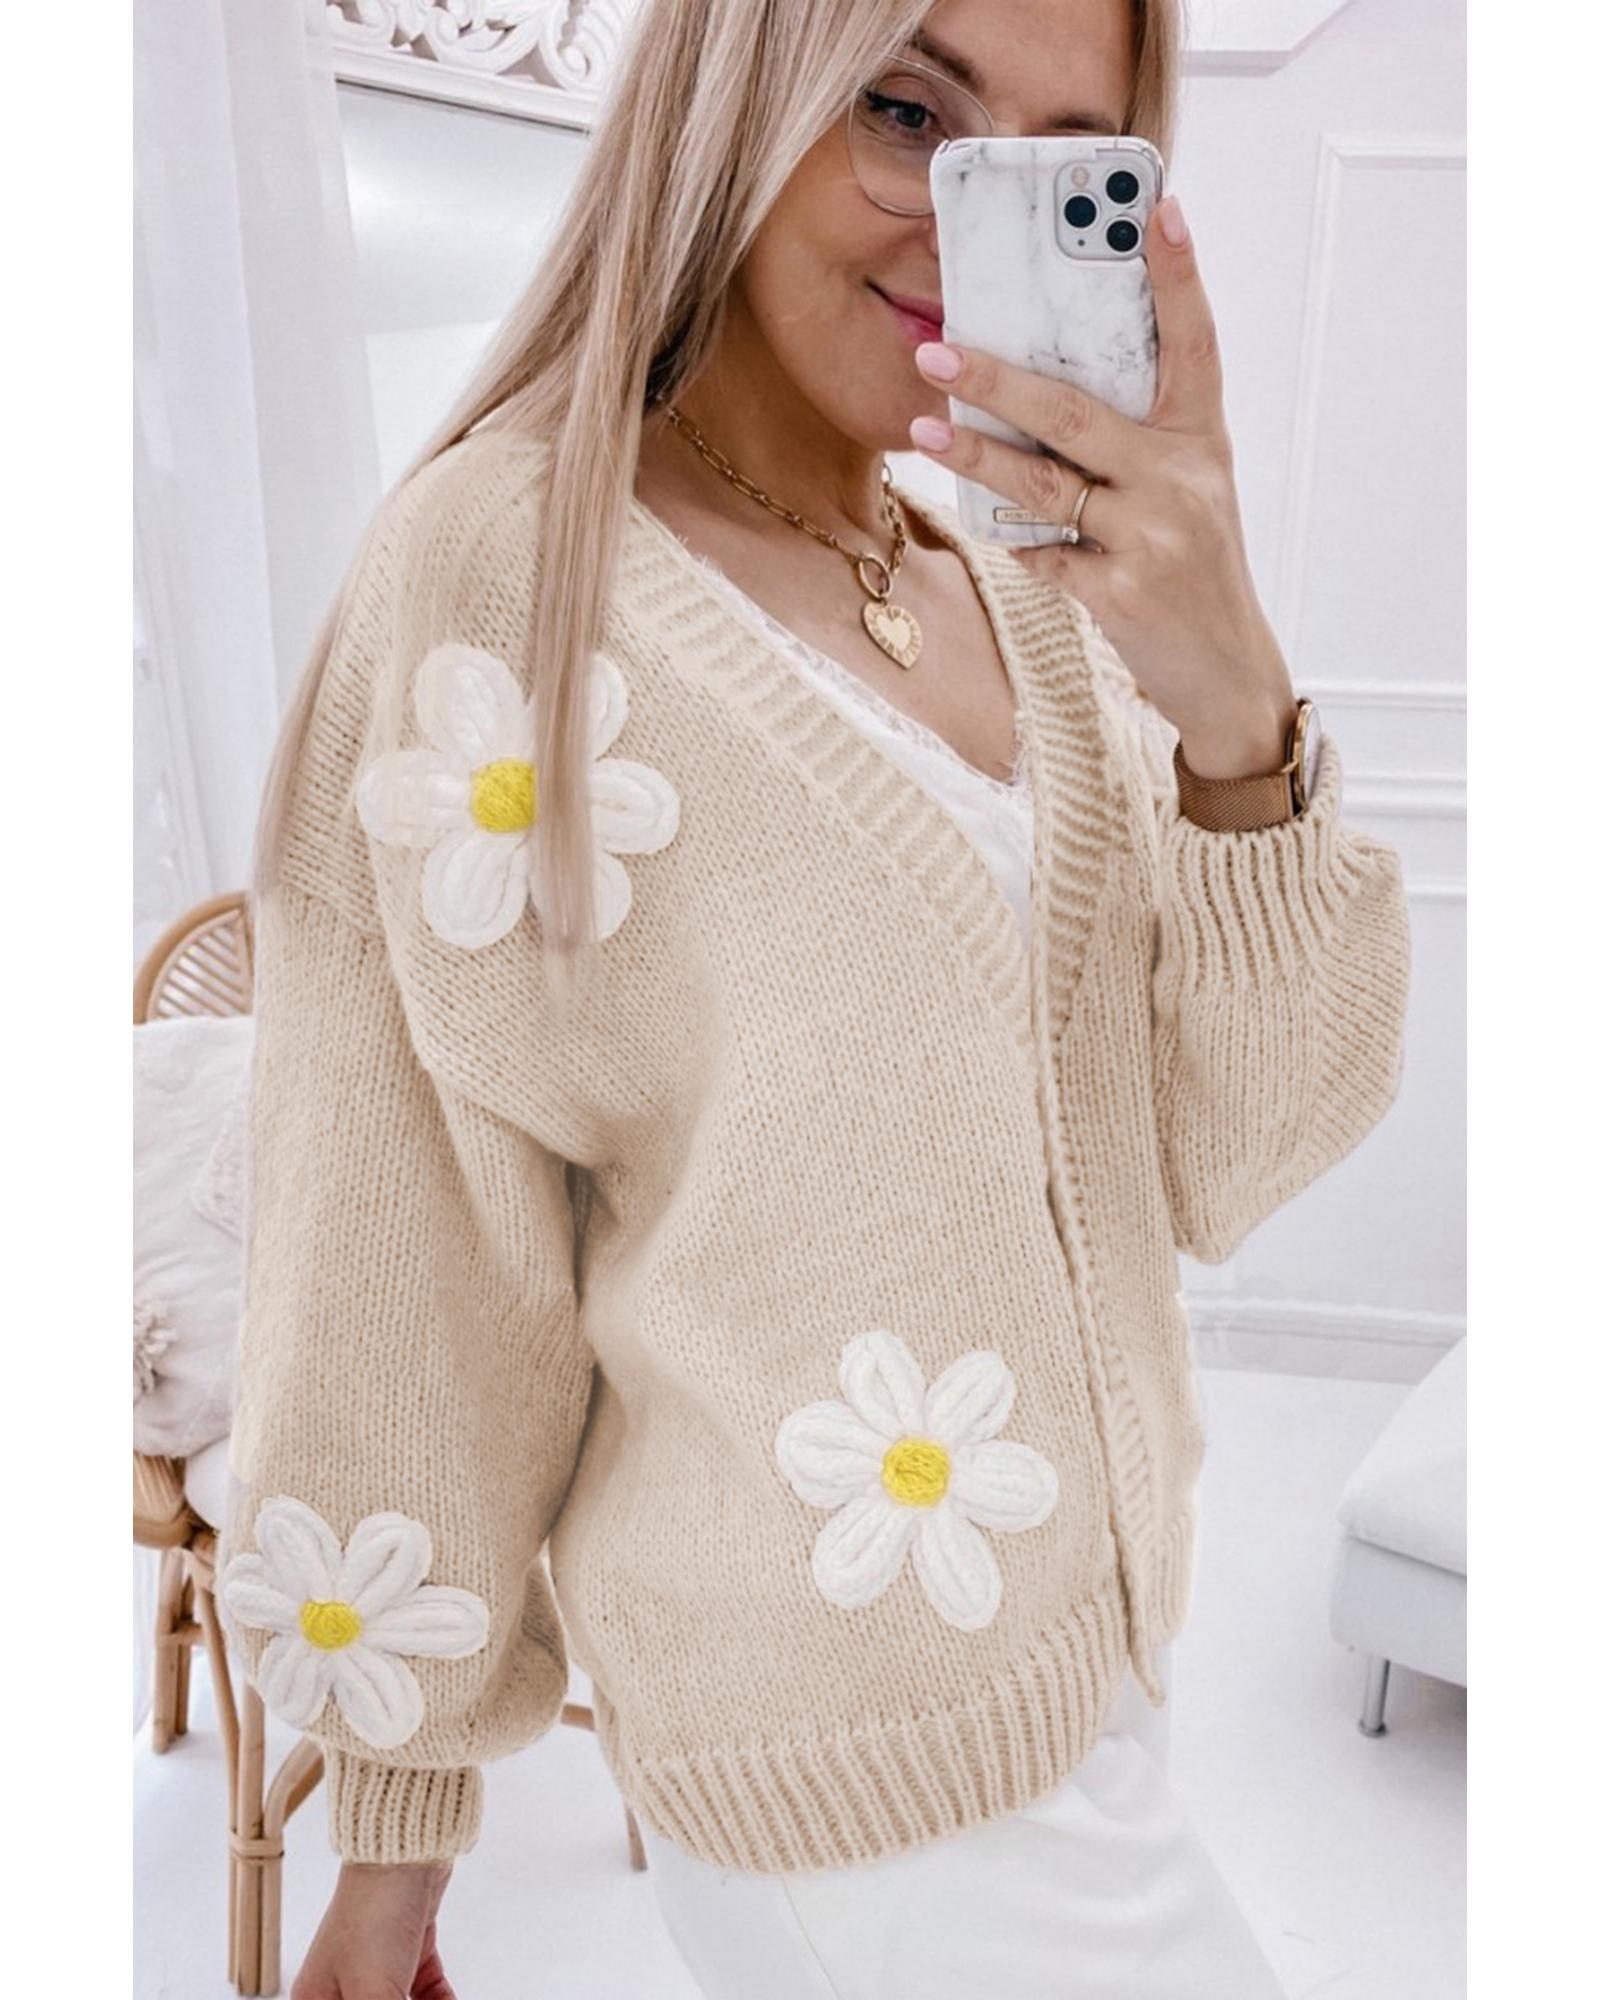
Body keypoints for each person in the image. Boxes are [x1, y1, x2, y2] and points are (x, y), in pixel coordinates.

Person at [216, 1, 1412, 1995]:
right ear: (735, 93)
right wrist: (397, 1839)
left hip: (1085, 1664)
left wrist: (1233, 711)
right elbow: (397, 1233)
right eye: (903, 108)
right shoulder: (504, 580)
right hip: (839, 1764)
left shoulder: (1013, 575)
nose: (967, 206)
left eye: (1059, 155)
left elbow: (1231, 1155)